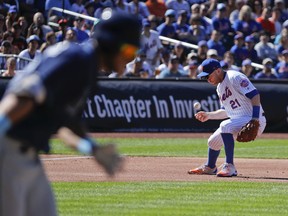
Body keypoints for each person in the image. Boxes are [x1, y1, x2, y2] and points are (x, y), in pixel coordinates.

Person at [0, 10, 141, 216]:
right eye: (128, 51)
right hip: (8, 152)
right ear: (111, 44)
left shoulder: (86, 66)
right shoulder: (77, 60)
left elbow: (67, 124)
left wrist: (91, 148)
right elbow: (24, 97)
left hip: (27, 157)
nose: (130, 59)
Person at [188, 58, 266, 177]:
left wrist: (255, 118)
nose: (207, 79)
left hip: (254, 118)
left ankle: (230, 166)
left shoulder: (234, 77)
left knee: (225, 125)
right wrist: (209, 115)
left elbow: (255, 95)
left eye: (208, 75)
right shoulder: (219, 88)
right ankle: (210, 167)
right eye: (205, 77)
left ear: (218, 70)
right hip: (238, 120)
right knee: (213, 142)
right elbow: (227, 111)